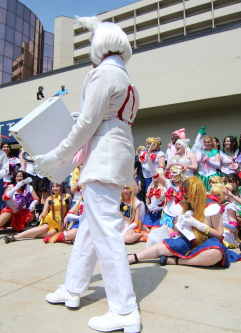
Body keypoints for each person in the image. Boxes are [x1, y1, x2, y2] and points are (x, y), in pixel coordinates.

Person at [33, 17, 141, 332]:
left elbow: (86, 125)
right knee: (90, 229)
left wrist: (55, 156)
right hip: (115, 156)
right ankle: (73, 288)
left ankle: (123, 309)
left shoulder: (103, 73)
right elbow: (104, 119)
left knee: (104, 230)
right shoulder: (125, 78)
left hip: (103, 158)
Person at [128, 176, 241, 267]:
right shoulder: (185, 205)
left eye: (187, 192)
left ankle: (176, 261)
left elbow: (219, 235)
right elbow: (178, 231)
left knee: (216, 253)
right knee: (168, 245)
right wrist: (180, 224)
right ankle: (135, 257)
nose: (184, 195)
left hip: (208, 242)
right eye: (183, 192)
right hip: (189, 240)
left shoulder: (212, 208)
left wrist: (199, 225)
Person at [5, 181, 71, 243]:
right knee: (43, 228)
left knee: (51, 233)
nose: (55, 188)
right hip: (50, 218)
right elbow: (45, 211)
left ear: (61, 186)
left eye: (57, 186)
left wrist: (68, 220)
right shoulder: (49, 198)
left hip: (61, 221)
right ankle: (16, 237)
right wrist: (41, 215)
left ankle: (23, 234)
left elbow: (70, 210)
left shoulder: (67, 196)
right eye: (53, 187)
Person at [0, 171, 38, 241]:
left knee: (31, 215)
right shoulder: (11, 186)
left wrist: (34, 202)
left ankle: (15, 226)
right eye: (17, 176)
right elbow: (4, 198)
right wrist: (15, 188)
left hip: (19, 212)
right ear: (14, 178)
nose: (19, 178)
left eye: (21, 176)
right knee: (8, 213)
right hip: (8, 212)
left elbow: (36, 198)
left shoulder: (29, 187)